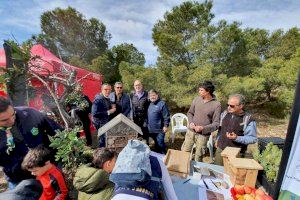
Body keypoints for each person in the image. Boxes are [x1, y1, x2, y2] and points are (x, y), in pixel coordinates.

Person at [0, 96, 62, 189]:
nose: (12, 120)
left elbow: (59, 133)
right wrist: (26, 168)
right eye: (5, 120)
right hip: (19, 180)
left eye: (13, 114)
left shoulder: (31, 114)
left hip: (48, 168)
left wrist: (53, 161)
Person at [110, 140, 178, 200]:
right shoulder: (157, 162)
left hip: (118, 196)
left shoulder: (120, 162)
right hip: (144, 196)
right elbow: (170, 193)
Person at [181, 81, 221, 162]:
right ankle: (183, 172)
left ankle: (196, 173)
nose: (199, 92)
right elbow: (190, 113)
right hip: (190, 132)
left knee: (198, 157)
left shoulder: (216, 104)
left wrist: (203, 128)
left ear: (208, 91)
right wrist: (191, 122)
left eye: (201, 90)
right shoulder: (196, 99)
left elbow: (216, 124)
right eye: (199, 90)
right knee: (184, 153)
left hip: (203, 136)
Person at [214, 94, 257, 165]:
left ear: (241, 106)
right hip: (220, 149)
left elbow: (252, 138)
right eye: (228, 105)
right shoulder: (224, 113)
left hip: (236, 152)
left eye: (232, 106)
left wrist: (237, 138)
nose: (228, 107)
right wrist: (217, 139)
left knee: (232, 174)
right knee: (218, 172)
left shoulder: (248, 119)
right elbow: (221, 129)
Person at [147, 89, 170, 154]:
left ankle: (164, 158)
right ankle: (158, 158)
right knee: (156, 145)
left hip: (160, 129)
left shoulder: (162, 104)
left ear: (157, 95)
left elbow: (166, 116)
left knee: (160, 144)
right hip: (151, 130)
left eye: (154, 95)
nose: (152, 97)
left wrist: (166, 126)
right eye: (151, 96)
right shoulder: (149, 104)